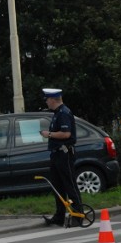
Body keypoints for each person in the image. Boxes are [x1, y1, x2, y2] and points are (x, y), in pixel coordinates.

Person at [40, 88, 83, 228]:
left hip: (64, 154)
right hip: (57, 153)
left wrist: (49, 134)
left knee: (69, 185)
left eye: (47, 99)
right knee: (57, 186)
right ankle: (59, 216)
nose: (46, 102)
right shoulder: (57, 113)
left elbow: (66, 134)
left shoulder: (64, 113)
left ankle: (78, 216)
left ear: (53, 99)